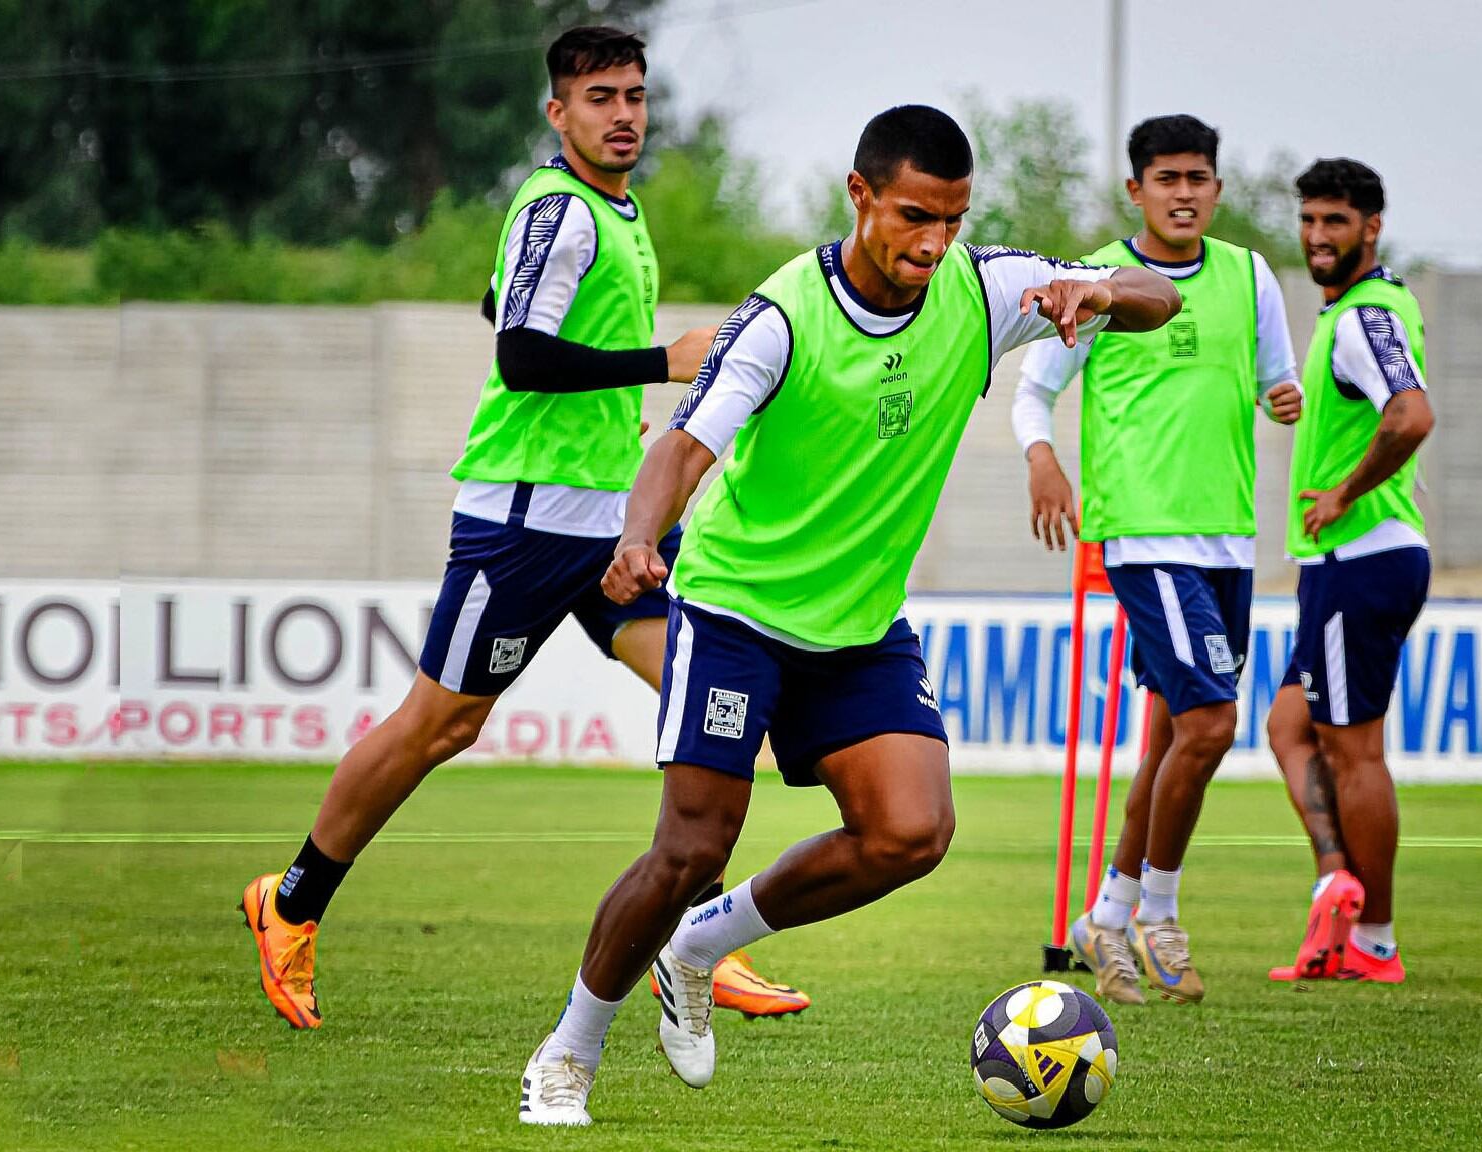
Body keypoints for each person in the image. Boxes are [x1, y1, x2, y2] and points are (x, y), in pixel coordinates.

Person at [515, 104, 1182, 1128]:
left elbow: (1154, 299)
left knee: (910, 832)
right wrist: (639, 538)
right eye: (914, 215)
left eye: (952, 220)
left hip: (860, 625)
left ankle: (695, 948)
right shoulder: (782, 317)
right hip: (736, 611)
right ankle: (567, 1052)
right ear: (859, 196)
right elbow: (682, 448)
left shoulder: (985, 285)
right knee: (689, 846)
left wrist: (1094, 287)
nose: (931, 243)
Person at [239, 25, 807, 1033]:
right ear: (558, 113)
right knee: (441, 724)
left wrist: (608, 405)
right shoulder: (562, 207)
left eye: (633, 95)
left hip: (611, 524)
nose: (623, 113)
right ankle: (289, 904)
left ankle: (693, 943)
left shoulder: (613, 215)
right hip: (524, 520)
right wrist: (656, 362)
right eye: (600, 98)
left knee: (717, 706)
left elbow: (503, 297)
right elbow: (519, 356)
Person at [1014, 114, 1302, 1006]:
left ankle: (1105, 911)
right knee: (1212, 724)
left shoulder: (1250, 276)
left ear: (1217, 188)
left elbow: (1272, 380)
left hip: (1226, 535)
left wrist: (1283, 399)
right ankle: (1158, 913)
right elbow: (1034, 391)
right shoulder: (1098, 283)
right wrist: (1042, 459)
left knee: (1176, 735)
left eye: (1199, 177)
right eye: (1166, 178)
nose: (1184, 192)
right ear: (1134, 190)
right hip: (1143, 532)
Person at [1265, 158, 1435, 985]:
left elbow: (1410, 416)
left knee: (1353, 751)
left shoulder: (1366, 315)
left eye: (1335, 222)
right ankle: (1338, 882)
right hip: (1351, 564)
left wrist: (1341, 493)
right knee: (1290, 728)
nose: (1317, 237)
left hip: (1360, 557)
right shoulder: (1359, 312)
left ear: (1371, 227)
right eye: (1308, 221)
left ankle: (1372, 939)